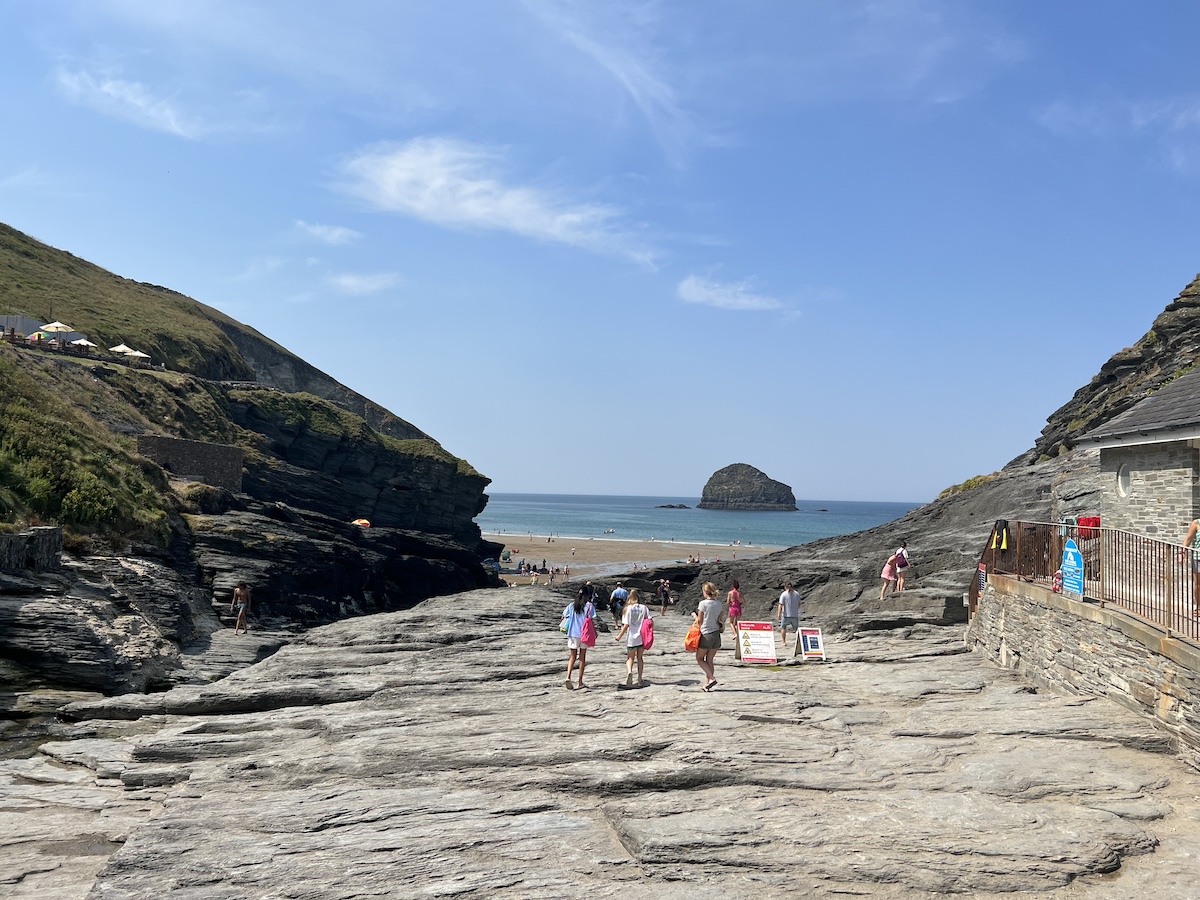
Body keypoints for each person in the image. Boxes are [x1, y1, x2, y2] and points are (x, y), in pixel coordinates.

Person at [562, 584, 596, 690]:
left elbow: (564, 616)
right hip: (584, 634)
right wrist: (595, 632)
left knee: (572, 657)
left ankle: (568, 677)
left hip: (572, 633)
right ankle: (580, 681)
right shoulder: (589, 606)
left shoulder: (572, 605)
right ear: (587, 595)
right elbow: (591, 620)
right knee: (582, 657)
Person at [614, 588, 650, 688]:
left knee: (630, 658)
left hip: (631, 638)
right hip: (641, 636)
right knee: (640, 658)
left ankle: (630, 671)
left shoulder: (628, 609)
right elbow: (650, 621)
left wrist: (619, 636)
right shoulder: (644, 608)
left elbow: (626, 625)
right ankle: (640, 679)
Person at [694, 581, 725, 692]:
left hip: (706, 634)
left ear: (705, 592)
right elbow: (719, 619)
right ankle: (707, 684)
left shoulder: (703, 604)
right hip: (716, 634)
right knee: (710, 660)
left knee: (699, 658)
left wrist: (694, 616)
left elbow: (700, 621)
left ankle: (712, 678)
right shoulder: (719, 604)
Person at [777, 582, 802, 648]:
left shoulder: (784, 594)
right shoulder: (797, 594)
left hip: (786, 615)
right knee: (796, 629)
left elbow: (780, 605)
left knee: (783, 628)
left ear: (785, 587)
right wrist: (795, 610)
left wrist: (779, 614)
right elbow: (799, 604)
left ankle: (784, 642)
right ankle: (799, 643)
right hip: (794, 615)